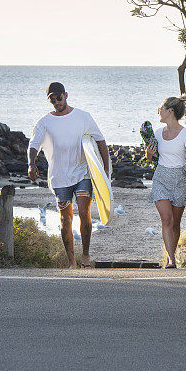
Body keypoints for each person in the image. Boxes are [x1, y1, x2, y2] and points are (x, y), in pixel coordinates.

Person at [27, 82, 109, 268]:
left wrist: (104, 171)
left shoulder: (83, 117)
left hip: (82, 173)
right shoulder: (44, 122)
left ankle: (85, 256)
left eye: (59, 97)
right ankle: (72, 261)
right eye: (52, 100)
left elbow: (100, 141)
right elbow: (33, 146)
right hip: (60, 177)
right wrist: (31, 165)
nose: (56, 102)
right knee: (65, 219)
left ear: (66, 95)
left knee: (83, 212)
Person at [144, 95, 186, 268]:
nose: (159, 112)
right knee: (167, 220)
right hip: (161, 178)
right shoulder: (157, 133)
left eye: (161, 109)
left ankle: (171, 253)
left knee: (175, 223)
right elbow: (151, 158)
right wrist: (148, 154)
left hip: (180, 180)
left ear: (170, 111)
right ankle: (171, 258)